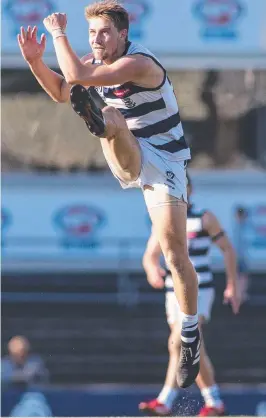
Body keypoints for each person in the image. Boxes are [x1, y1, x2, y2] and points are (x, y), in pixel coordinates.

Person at [18, 0, 200, 387]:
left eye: (103, 33)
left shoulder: (138, 63)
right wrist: (36, 61)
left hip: (167, 159)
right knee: (111, 118)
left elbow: (78, 74)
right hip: (131, 148)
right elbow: (59, 90)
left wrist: (58, 33)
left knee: (175, 254)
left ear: (122, 35)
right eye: (91, 33)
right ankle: (99, 120)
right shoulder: (95, 65)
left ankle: (189, 334)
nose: (97, 39)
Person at [139, 174, 241, 417]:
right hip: (172, 292)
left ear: (189, 190)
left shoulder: (204, 218)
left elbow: (228, 249)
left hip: (200, 289)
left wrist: (232, 284)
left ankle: (167, 400)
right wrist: (152, 270)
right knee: (185, 344)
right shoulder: (162, 219)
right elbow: (150, 255)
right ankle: (213, 401)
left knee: (181, 341)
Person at [234, 206, 250, 303]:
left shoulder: (241, 227)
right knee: (241, 275)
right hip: (238, 256)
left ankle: (240, 293)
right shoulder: (239, 227)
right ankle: (240, 294)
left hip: (240, 256)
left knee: (241, 275)